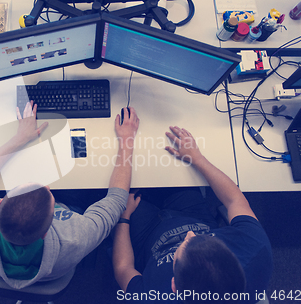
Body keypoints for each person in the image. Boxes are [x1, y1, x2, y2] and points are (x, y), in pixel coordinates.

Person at [0, 102, 140, 289]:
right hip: (56, 266)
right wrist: (127, 140)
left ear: (1, 202)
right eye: (50, 195)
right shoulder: (77, 237)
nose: (47, 186)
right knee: (80, 191)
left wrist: (20, 137)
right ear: (46, 231)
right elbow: (116, 200)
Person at [113, 126, 273, 303]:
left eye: (186, 244)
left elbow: (123, 268)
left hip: (148, 237)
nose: (190, 234)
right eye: (202, 239)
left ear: (174, 286)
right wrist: (197, 158)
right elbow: (235, 200)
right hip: (194, 215)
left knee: (114, 189)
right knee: (171, 168)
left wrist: (123, 216)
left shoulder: (151, 298)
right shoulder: (255, 252)